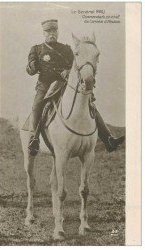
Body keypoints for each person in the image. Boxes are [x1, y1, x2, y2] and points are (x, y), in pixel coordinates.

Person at [25, 19, 125, 155]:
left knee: (89, 103)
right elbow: (30, 70)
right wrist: (32, 66)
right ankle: (34, 140)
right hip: (45, 84)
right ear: (43, 33)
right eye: (48, 31)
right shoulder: (36, 49)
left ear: (58, 31)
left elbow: (76, 65)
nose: (51, 34)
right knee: (37, 105)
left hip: (65, 83)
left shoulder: (66, 49)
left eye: (54, 31)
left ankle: (108, 139)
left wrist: (68, 70)